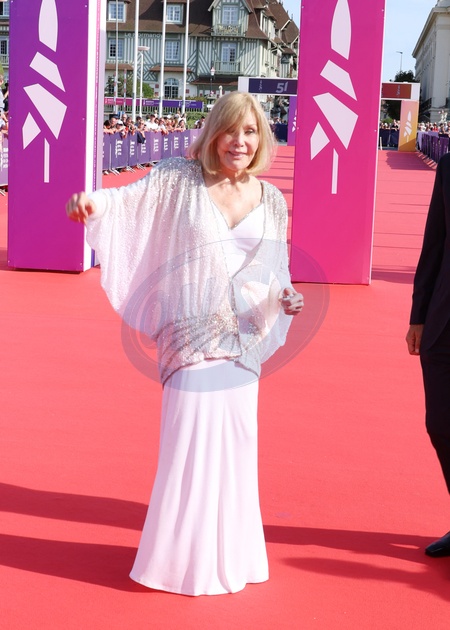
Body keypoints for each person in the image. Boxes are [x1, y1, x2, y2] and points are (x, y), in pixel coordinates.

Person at [65, 91, 304, 595]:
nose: (239, 142)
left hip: (243, 342)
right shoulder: (179, 178)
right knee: (188, 445)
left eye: (249, 132)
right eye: (230, 130)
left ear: (261, 139)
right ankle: (177, 563)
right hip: (190, 337)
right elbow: (125, 201)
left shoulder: (272, 200)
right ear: (213, 134)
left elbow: (277, 269)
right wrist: (93, 202)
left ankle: (234, 558)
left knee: (237, 448)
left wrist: (287, 296)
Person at [406, 150, 450, 558]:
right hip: (444, 319)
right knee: (440, 423)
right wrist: (418, 315)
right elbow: (434, 241)